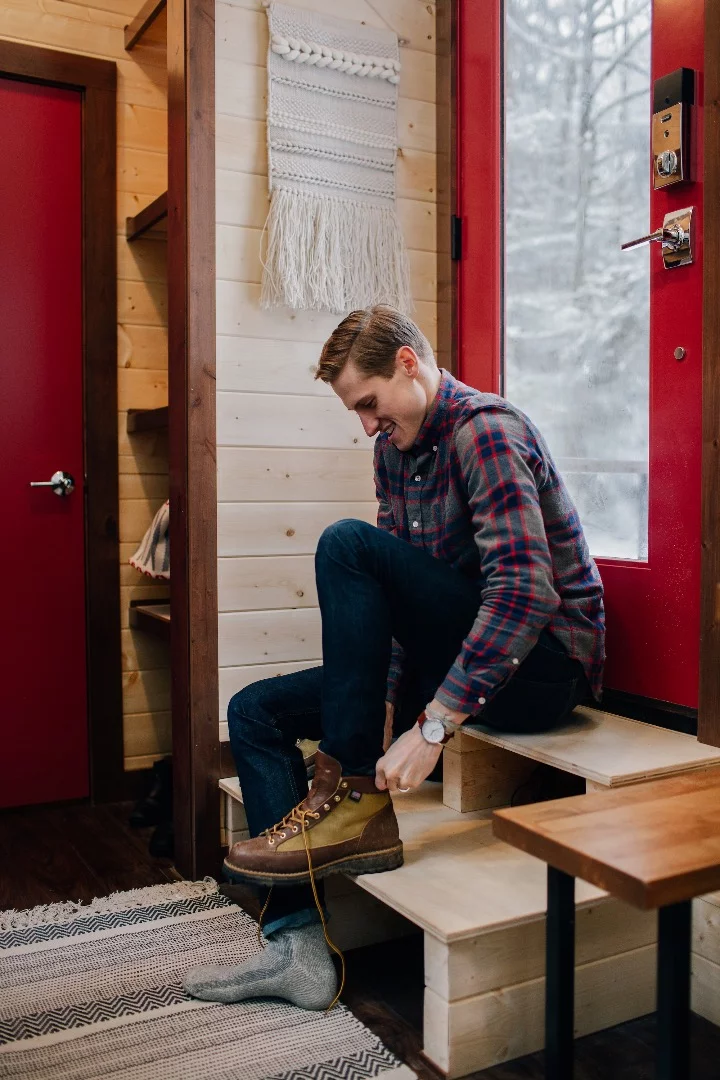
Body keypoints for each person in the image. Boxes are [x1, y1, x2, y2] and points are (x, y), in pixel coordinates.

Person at [183, 305, 605, 1011]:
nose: (367, 425)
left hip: (543, 669)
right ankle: (297, 945)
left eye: (369, 403)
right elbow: (395, 603)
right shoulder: (394, 451)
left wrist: (433, 725)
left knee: (346, 544)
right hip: (458, 657)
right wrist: (383, 695)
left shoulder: (487, 432)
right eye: (357, 411)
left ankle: (353, 797)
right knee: (253, 712)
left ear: (408, 363)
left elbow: (525, 594)